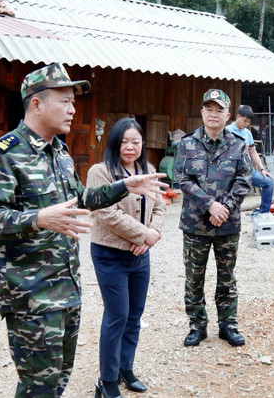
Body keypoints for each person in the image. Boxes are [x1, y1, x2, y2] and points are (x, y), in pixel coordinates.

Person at [0, 63, 166, 398]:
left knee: (57, 381)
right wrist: (38, 218)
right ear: (36, 104)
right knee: (39, 387)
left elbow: (82, 198)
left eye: (73, 101)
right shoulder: (3, 155)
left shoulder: (59, 152)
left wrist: (124, 185)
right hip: (31, 296)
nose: (72, 108)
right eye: (64, 100)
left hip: (66, 289)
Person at [86, 118, 166, 398]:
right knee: (116, 315)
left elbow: (161, 206)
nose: (130, 147)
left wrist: (153, 233)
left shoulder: (149, 170)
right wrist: (143, 235)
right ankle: (107, 380)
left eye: (136, 141)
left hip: (140, 254)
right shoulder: (101, 172)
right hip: (110, 254)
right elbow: (105, 213)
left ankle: (125, 368)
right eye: (124, 141)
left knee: (134, 315)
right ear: (114, 142)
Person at [173, 89, 252, 348]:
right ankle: (197, 326)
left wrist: (224, 208)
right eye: (209, 109)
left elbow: (244, 180)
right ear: (202, 112)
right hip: (195, 224)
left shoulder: (238, 144)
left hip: (227, 224)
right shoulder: (187, 143)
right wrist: (210, 205)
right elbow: (181, 179)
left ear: (228, 115)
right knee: (194, 278)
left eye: (219, 110)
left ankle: (228, 325)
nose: (214, 114)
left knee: (226, 277)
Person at [227, 105, 274, 216]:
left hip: (246, 171)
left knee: (269, 182)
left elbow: (253, 151)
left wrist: (262, 169)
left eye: (248, 122)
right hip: (230, 173)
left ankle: (264, 214)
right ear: (238, 116)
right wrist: (241, 148)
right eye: (244, 120)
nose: (246, 123)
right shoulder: (226, 131)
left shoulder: (247, 133)